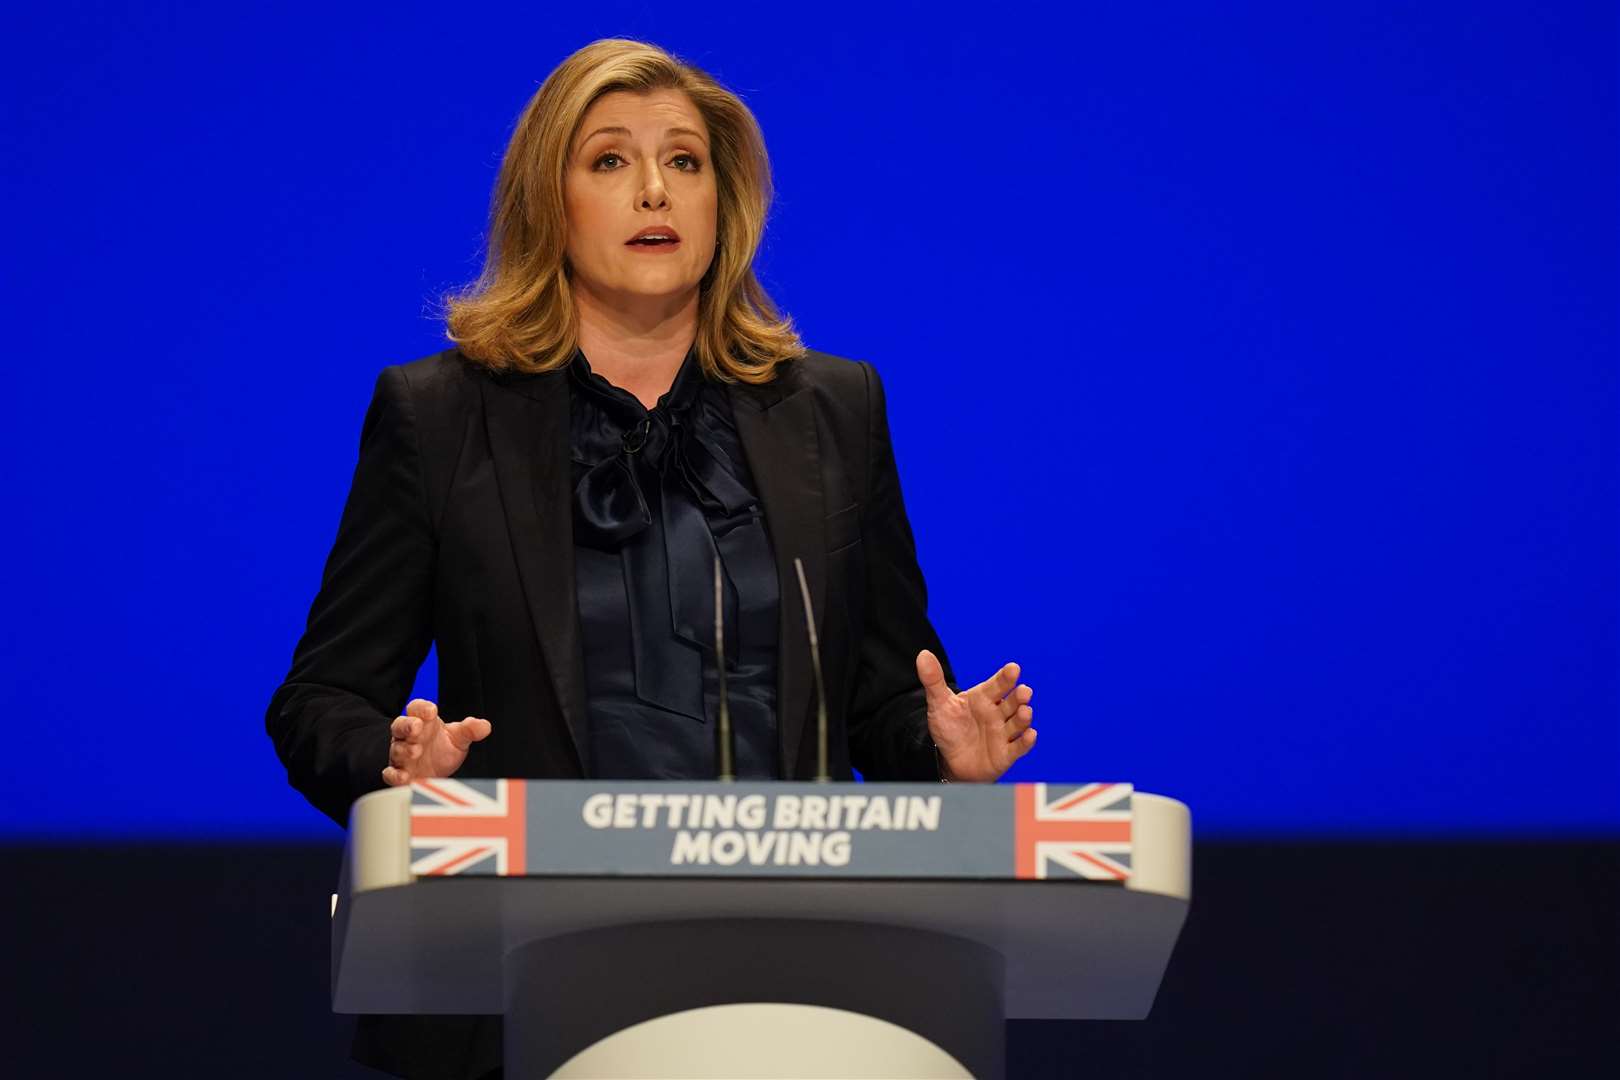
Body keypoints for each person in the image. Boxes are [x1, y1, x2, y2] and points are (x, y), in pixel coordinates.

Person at [265, 36, 1038, 1080]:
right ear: (551, 201)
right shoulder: (441, 416)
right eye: (610, 160)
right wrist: (398, 769)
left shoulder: (832, 412)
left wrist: (942, 750)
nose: (652, 190)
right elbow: (320, 699)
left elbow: (875, 700)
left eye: (683, 161)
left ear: (725, 204)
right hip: (519, 981)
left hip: (807, 978)